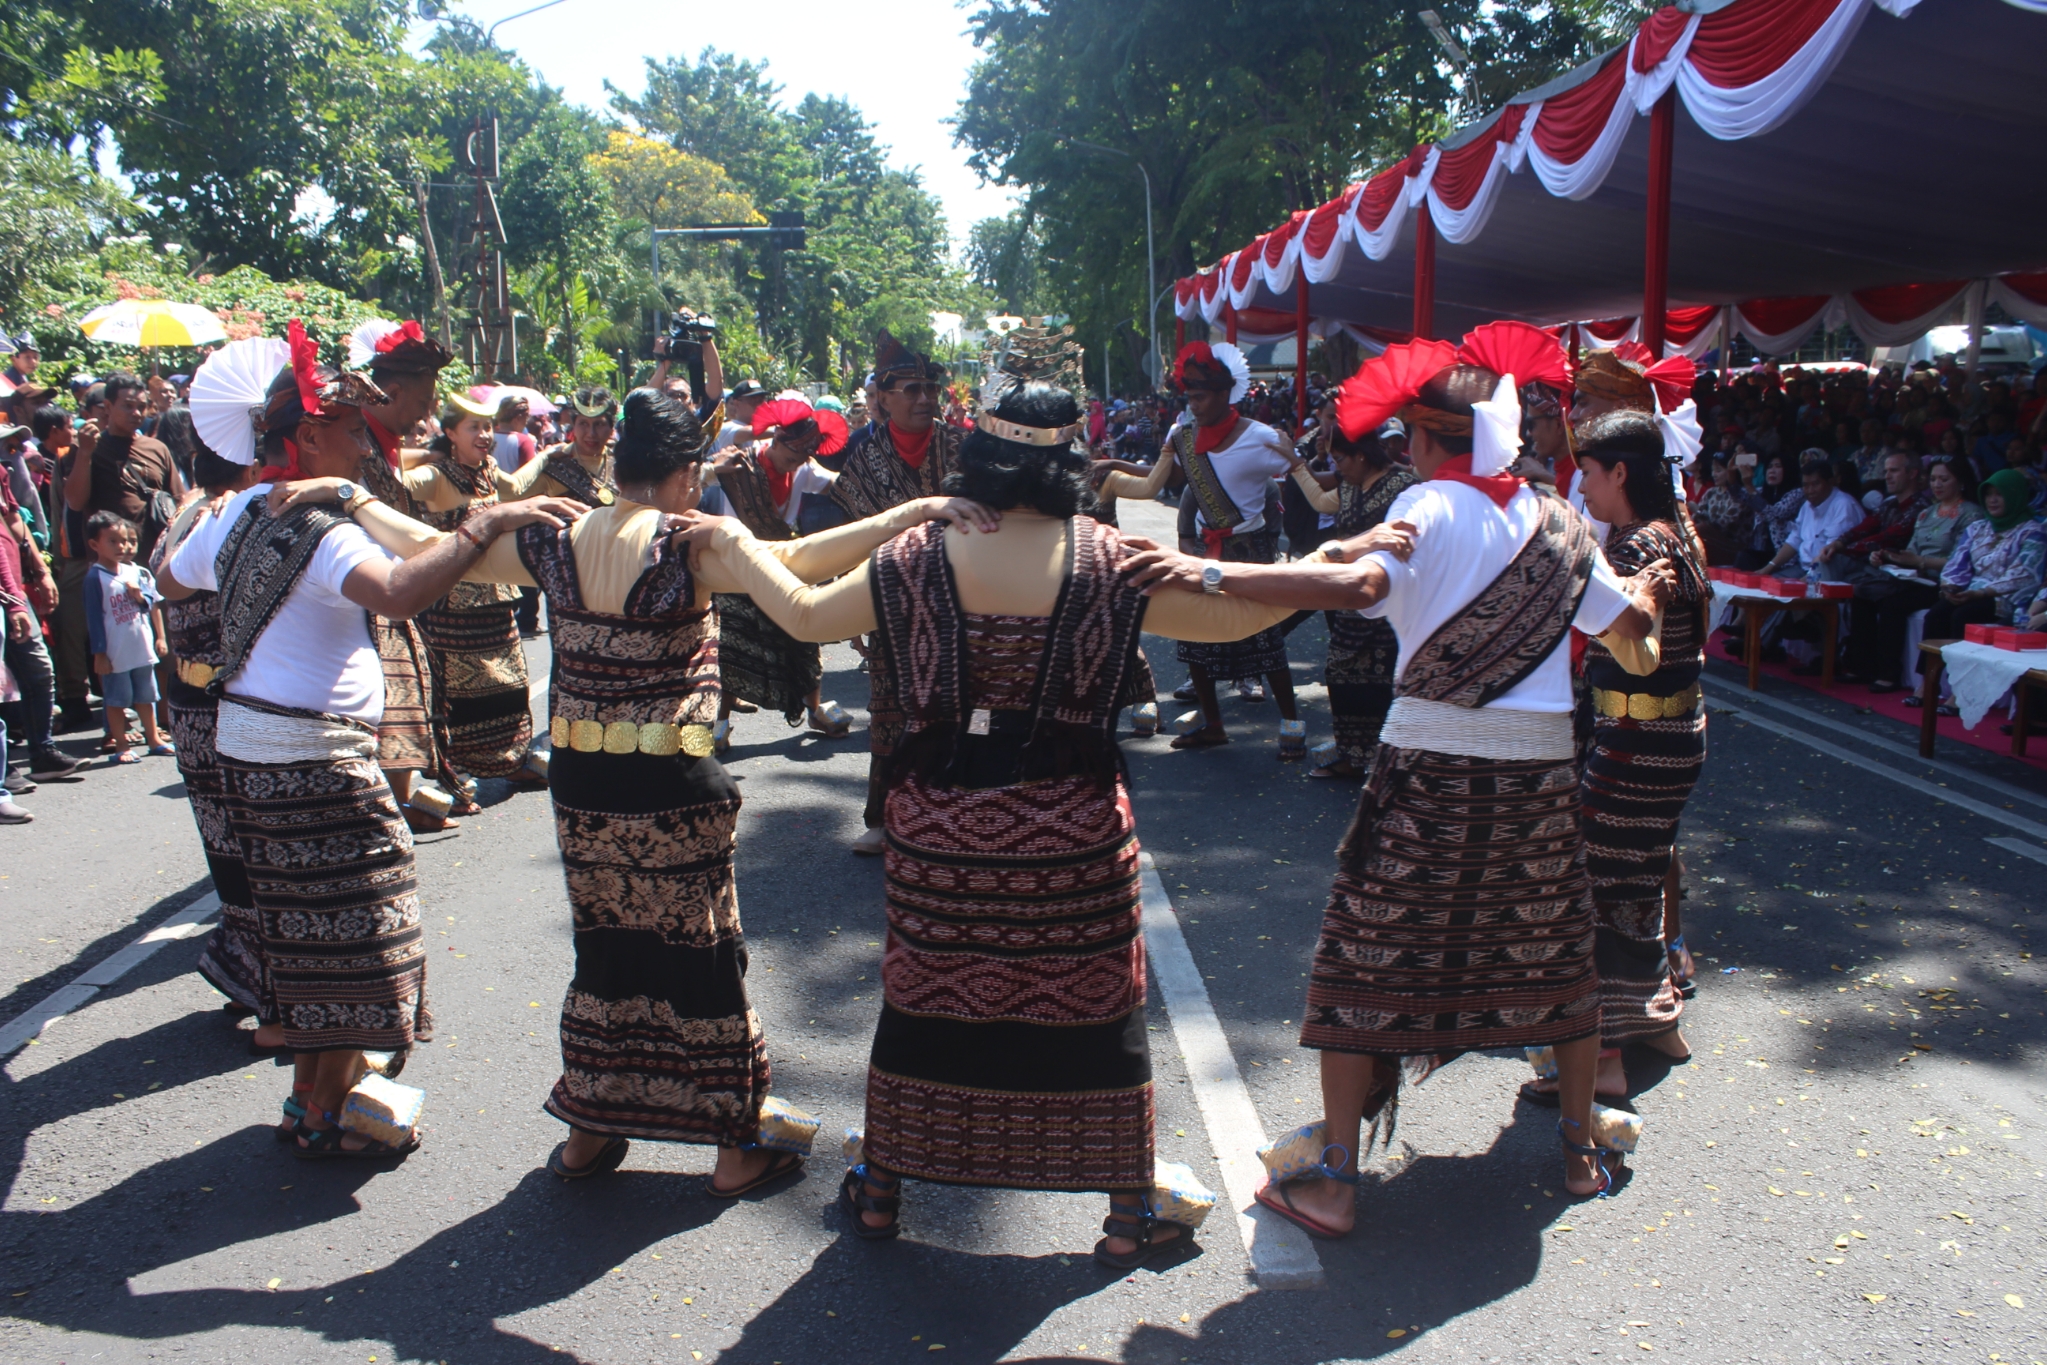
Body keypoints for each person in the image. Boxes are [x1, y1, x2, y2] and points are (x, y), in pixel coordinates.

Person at [288, 385, 994, 1188]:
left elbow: (424, 541)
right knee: (699, 950)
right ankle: (733, 1144)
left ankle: (590, 1129)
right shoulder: (693, 541)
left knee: (609, 944)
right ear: (688, 473)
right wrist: (915, 516)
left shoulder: (555, 532)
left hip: (584, 781)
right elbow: (801, 584)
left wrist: (348, 496)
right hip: (670, 777)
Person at [691, 380, 1311, 1266]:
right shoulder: (1113, 560)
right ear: (1069, 461)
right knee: (1097, 1016)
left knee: (923, 1006)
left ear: (976, 458)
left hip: (936, 832)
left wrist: (727, 540)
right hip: (1076, 833)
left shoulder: (917, 555)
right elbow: (1241, 616)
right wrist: (1336, 565)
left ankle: (882, 1189)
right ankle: (1126, 1206)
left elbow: (798, 609)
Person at [1114, 335, 1675, 1232]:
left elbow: (1356, 582)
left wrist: (1206, 570)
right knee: (1557, 960)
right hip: (1536, 779)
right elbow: (1624, 628)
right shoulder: (1563, 522)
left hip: (1430, 776)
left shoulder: (1425, 505)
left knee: (1361, 965)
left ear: (1420, 437)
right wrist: (1644, 597)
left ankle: (1335, 1180)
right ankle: (1577, 1156)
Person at [161, 323, 584, 1157]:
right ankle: (329, 1109)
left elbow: (169, 579)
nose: (366, 442)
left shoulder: (236, 510)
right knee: (364, 939)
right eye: (353, 428)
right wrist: (480, 525)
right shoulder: (324, 526)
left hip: (249, 751)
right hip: (314, 759)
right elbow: (396, 594)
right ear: (307, 434)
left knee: (307, 942)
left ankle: (313, 1104)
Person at [1545, 409, 1709, 1100]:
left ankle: (1605, 1054)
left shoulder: (1637, 548)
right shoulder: (1682, 531)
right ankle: (1658, 1023)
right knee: (1637, 881)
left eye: (1586, 472)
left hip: (1633, 739)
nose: (1582, 487)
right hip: (1674, 736)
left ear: (1619, 471)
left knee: (1589, 888)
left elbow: (1614, 644)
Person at [1099, 342, 1305, 757]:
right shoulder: (1183, 435)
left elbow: (1303, 482)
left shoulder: (1262, 438)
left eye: (1200, 396)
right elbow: (1163, 478)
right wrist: (1114, 467)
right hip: (1203, 548)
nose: (1192, 406)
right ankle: (1213, 724)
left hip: (1249, 550)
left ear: (1226, 393)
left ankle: (1292, 724)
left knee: (1264, 638)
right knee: (1195, 636)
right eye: (1189, 397)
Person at [149, 435, 271, 1040]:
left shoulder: (182, 514)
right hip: (222, 707)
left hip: (191, 704)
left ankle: (246, 970)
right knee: (251, 848)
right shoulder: (222, 519)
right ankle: (266, 982)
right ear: (250, 466)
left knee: (227, 845)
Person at [830, 333, 967, 855]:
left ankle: (961, 811)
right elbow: (850, 543)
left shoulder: (961, 447)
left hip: (965, 600)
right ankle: (886, 819)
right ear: (883, 397)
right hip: (894, 604)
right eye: (912, 390)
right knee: (891, 713)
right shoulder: (863, 461)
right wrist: (853, 612)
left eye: (930, 388)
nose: (924, 399)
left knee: (962, 711)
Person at [353, 320, 469, 828]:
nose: (428, 414)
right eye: (423, 403)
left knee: (407, 683)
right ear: (392, 392)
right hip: (362, 584)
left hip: (388, 581)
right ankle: (390, 802)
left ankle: (403, 795)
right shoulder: (352, 440)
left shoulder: (380, 439)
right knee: (393, 688)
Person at [400, 394, 542, 784]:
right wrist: (421, 457)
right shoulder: (436, 476)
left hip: (498, 600)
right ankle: (455, 771)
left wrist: (552, 457)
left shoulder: (491, 468)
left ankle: (510, 761)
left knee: (511, 687)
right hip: (452, 607)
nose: (483, 434)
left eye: (486, 426)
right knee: (458, 698)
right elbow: (387, 476)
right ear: (449, 433)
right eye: (472, 427)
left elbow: (518, 486)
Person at [708, 396, 853, 741]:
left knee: (803, 635)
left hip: (779, 565)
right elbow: (726, 430)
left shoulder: (804, 470)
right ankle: (720, 723)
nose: (795, 464)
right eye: (790, 456)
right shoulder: (738, 460)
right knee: (733, 646)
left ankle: (816, 710)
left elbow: (838, 483)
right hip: (735, 568)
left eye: (803, 457)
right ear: (774, 441)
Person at [1284, 424, 1417, 778]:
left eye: (1341, 459)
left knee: (1383, 680)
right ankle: (1352, 752)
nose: (1337, 467)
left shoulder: (1403, 487)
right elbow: (1318, 498)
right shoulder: (1350, 486)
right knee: (1341, 673)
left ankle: (1384, 758)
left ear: (1361, 455)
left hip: (1389, 603)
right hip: (1348, 601)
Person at [1845, 456, 1982, 691]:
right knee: (1862, 593)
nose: (1937, 485)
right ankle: (1861, 665)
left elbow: (1962, 561)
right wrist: (1888, 557)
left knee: (1892, 603)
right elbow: (1911, 552)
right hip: (1915, 577)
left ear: (1960, 482)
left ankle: (1889, 673)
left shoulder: (1971, 515)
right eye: (1933, 479)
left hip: (1944, 582)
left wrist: (1918, 561)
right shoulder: (1926, 513)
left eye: (1944, 479)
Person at [64, 372, 186, 565]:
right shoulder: (88, 447)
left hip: (156, 560)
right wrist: (85, 453)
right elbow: (75, 502)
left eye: (141, 407)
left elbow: (180, 502)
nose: (136, 413)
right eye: (128, 406)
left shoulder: (157, 448)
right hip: (111, 569)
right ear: (109, 407)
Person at [82, 511, 171, 765]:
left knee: (147, 695)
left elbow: (151, 605)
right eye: (112, 541)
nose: (121, 546)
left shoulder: (136, 571)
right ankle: (121, 744)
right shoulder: (95, 577)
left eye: (123, 540)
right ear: (94, 545)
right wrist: (99, 653)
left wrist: (139, 598)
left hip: (140, 646)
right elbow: (94, 619)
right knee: (117, 699)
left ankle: (154, 739)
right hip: (115, 651)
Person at [1922, 468, 2047, 647]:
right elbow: (1957, 562)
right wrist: (1951, 586)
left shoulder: (2033, 532)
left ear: (2015, 496)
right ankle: (1930, 672)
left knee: (1963, 616)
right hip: (1969, 591)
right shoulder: (1977, 527)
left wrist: (1981, 593)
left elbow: (2024, 575)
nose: (1992, 500)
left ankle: (1958, 673)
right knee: (1936, 614)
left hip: (2004, 598)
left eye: (1999, 495)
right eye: (1988, 495)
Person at [510, 386, 619, 506]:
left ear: (611, 428)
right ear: (573, 426)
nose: (591, 433)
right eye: (583, 423)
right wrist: (543, 457)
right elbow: (509, 493)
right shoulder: (556, 464)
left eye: (599, 424)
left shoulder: (620, 461)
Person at [711, 379, 771, 454]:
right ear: (736, 403)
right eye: (753, 401)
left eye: (761, 400)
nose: (759, 405)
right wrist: (779, 430)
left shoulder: (767, 431)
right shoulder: (727, 428)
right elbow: (750, 433)